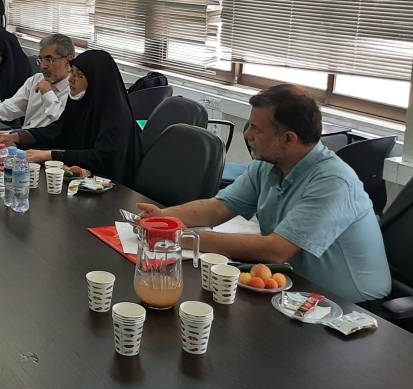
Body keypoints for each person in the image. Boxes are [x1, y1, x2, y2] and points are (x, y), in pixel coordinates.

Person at [137, 84, 391, 303]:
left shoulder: (333, 181)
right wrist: (163, 218)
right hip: (292, 289)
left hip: (351, 308)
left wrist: (181, 238)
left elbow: (275, 250)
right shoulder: (268, 166)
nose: (247, 135)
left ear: (288, 139)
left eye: (257, 129)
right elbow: (218, 207)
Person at [0, 49, 142, 186]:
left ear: (97, 81)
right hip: (78, 179)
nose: (71, 79)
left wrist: (50, 155)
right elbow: (57, 131)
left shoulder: (116, 115)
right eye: (72, 72)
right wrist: (17, 135)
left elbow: (103, 157)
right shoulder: (81, 100)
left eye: (79, 76)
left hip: (110, 188)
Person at [0, 33, 75, 128]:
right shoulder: (36, 80)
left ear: (69, 59)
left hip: (49, 149)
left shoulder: (76, 89)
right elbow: (11, 107)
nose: (43, 66)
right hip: (24, 141)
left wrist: (48, 94)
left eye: (49, 60)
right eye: (41, 60)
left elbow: (63, 124)